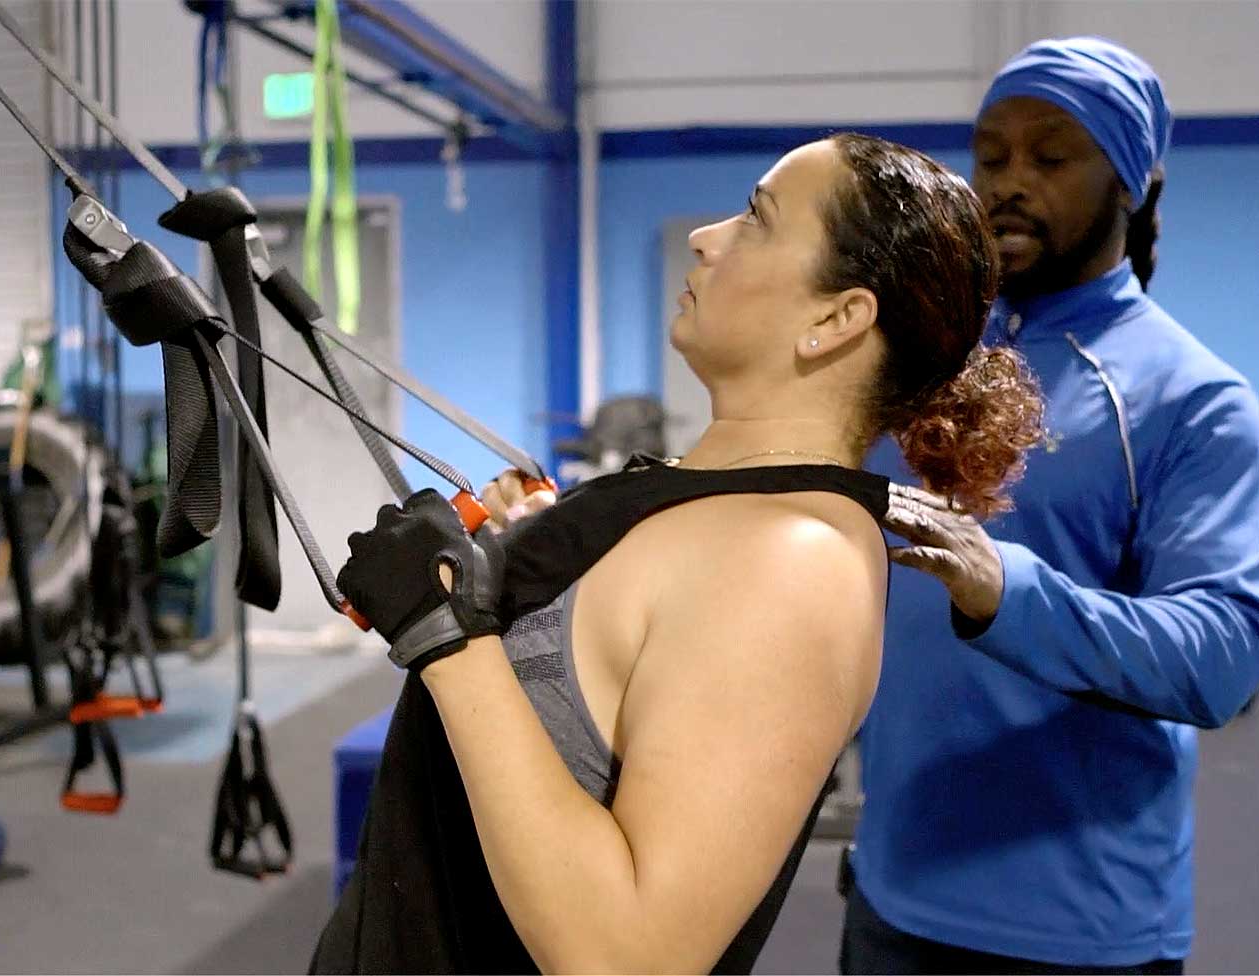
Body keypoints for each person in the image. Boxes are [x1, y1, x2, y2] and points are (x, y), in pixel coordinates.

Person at [309, 133, 1042, 974]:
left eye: (757, 220)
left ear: (835, 320)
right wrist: (539, 554)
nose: (708, 237)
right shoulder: (705, 500)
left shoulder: (791, 564)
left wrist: (449, 641)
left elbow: (630, 957)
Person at [844, 37, 1259, 974]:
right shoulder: (927, 359)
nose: (1008, 183)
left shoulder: (1191, 400)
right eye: (991, 157)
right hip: (890, 892)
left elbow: (1221, 660)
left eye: (1051, 156)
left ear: (1131, 182)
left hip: (1075, 930)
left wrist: (1001, 587)